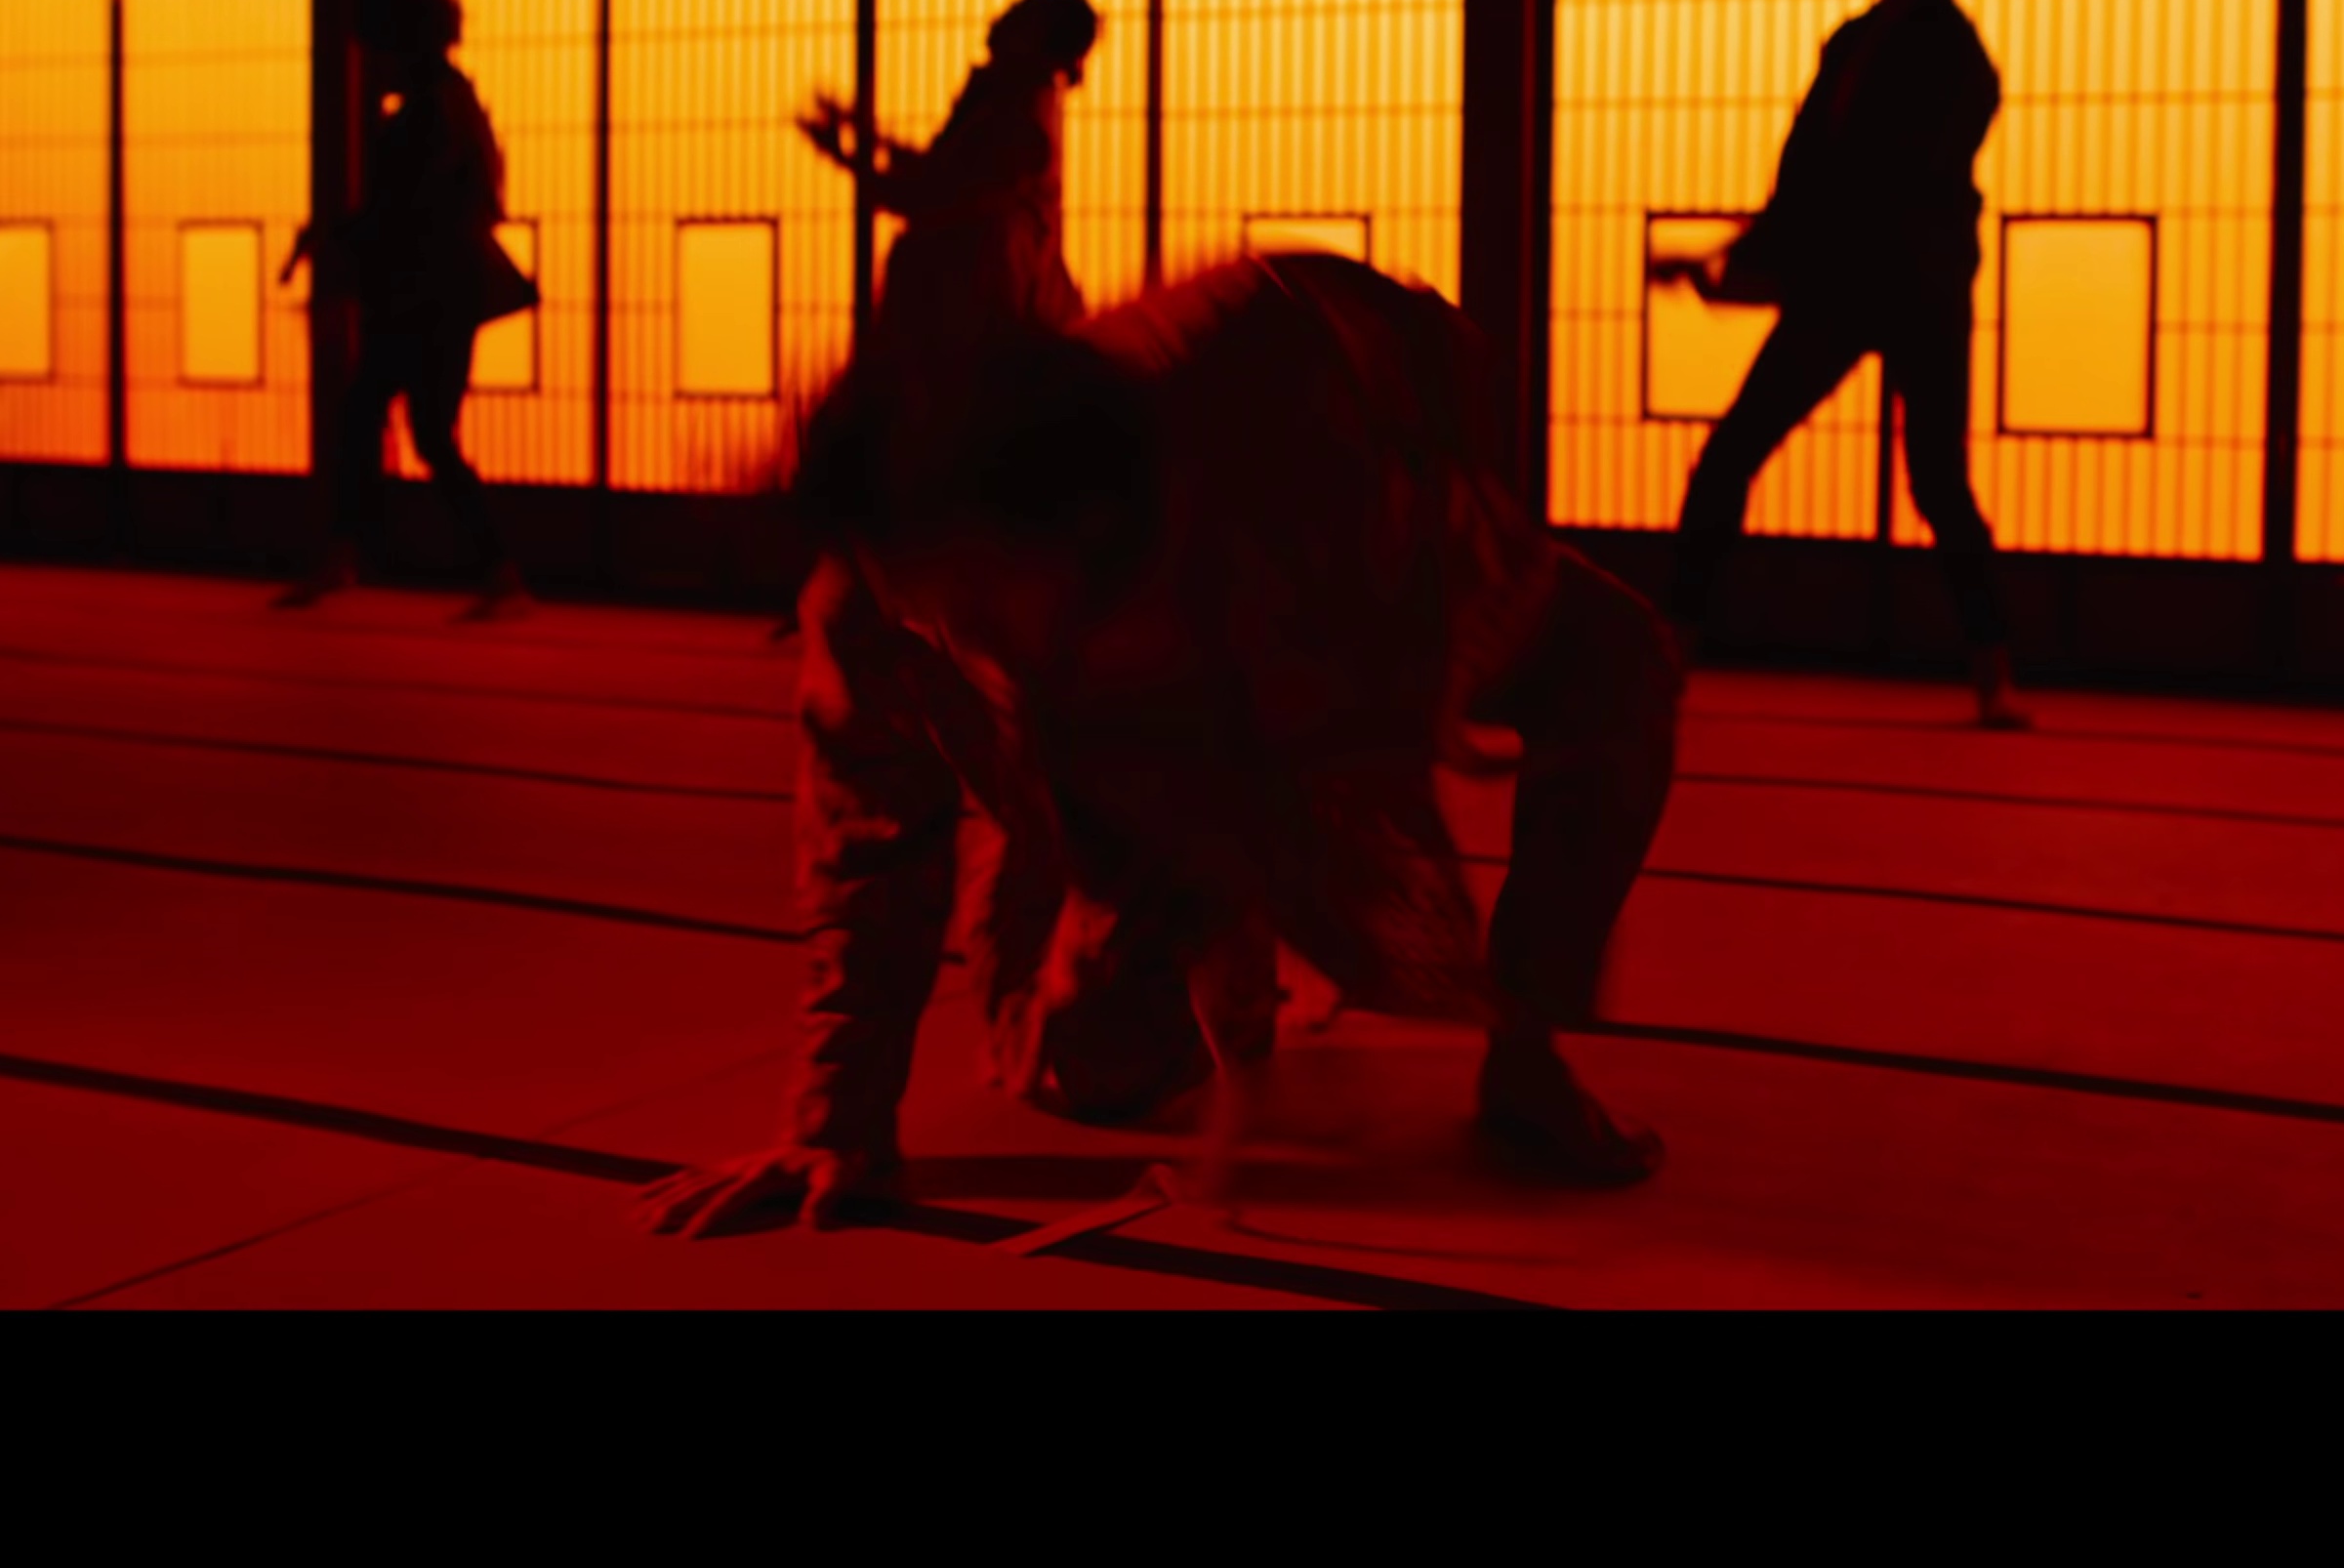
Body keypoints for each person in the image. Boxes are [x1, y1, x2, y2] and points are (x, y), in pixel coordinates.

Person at [636, 253, 1677, 1240]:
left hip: (1327, 598)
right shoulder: (877, 595)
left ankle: (1527, 1060)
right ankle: (1108, 913)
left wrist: (1394, 705)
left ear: (1067, 523)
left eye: (981, 595)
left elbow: (1439, 360)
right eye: (938, 603)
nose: (958, 619)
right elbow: (865, 839)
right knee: (1096, 1070)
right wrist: (835, 1119)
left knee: (1615, 664)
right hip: (1090, 763)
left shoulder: (1261, 378)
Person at [1649, 0, 2034, 729]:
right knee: (1730, 455)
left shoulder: (1956, 55)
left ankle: (1993, 670)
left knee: (1936, 482)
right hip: (1843, 285)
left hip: (1914, 287)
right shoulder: (1852, 41)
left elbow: (1889, 183)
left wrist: (1758, 267)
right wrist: (1739, 257)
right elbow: (1807, 179)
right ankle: (1673, 648)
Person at [768, 0, 1101, 643]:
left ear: (1041, 39)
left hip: (970, 305)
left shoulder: (1020, 110)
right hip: (961, 299)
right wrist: (861, 142)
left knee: (917, 442)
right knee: (913, 442)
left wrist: (848, 152)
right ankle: (871, 595)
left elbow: (932, 189)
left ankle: (888, 598)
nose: (999, 17)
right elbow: (941, 175)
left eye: (1020, 14)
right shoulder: (1009, 99)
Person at [278, 0, 533, 619]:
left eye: (377, 46)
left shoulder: (431, 113)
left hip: (432, 292)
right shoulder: (448, 102)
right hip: (437, 288)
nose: (373, 61)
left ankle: (481, 568)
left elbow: (406, 206)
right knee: (395, 421)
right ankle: (472, 568)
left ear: (400, 41)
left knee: (396, 422)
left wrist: (338, 238)